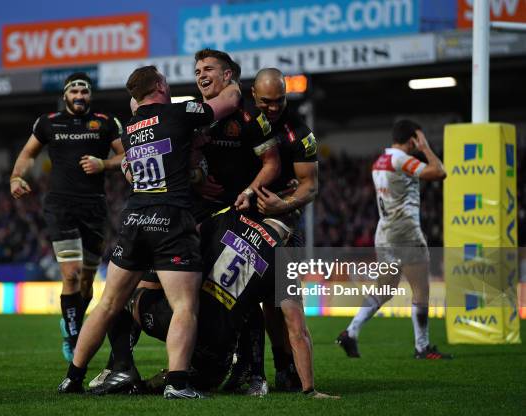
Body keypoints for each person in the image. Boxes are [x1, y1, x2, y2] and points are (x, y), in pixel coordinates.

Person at [57, 66, 241, 399]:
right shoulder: (178, 113)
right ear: (159, 85)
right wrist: (230, 81)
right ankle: (177, 383)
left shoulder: (128, 128)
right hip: (171, 218)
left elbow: (130, 165)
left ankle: (72, 378)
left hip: (134, 218)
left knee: (108, 304)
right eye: (166, 82)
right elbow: (226, 103)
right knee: (184, 306)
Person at [90, 208, 339, 400]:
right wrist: (309, 389)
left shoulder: (230, 219)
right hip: (216, 352)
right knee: (246, 314)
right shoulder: (283, 264)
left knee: (122, 297)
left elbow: (185, 245)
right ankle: (250, 375)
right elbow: (298, 332)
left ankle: (122, 366)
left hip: (176, 321)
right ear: (289, 236)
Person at [10, 72, 123, 362]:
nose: (80, 97)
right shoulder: (48, 123)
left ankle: (70, 319)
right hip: (60, 207)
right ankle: (73, 336)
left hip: (95, 208)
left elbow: (128, 157)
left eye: (84, 92)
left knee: (86, 281)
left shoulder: (107, 123)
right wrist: (16, 177)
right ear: (65, 96)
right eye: (74, 92)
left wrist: (104, 164)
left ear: (90, 96)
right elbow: (27, 154)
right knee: (70, 275)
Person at [227, 68, 320, 393]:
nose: (273, 107)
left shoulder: (299, 133)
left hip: (283, 226)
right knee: (253, 302)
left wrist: (282, 205)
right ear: (253, 94)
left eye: (279, 100)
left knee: (284, 302)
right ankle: (252, 369)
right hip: (240, 223)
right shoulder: (237, 122)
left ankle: (286, 370)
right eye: (266, 101)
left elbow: (310, 186)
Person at [336, 119, 452, 359]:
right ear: (413, 139)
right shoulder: (402, 159)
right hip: (405, 231)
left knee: (385, 289)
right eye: (418, 138)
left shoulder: (380, 161)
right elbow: (439, 172)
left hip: (385, 231)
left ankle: (351, 331)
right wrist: (426, 148)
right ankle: (422, 348)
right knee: (421, 290)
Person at [192, 49, 280, 218]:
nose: (201, 75)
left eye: (208, 69)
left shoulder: (251, 115)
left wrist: (247, 193)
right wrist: (193, 178)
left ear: (227, 75)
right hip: (196, 208)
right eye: (197, 72)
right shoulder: (188, 112)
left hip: (239, 208)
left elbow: (272, 163)